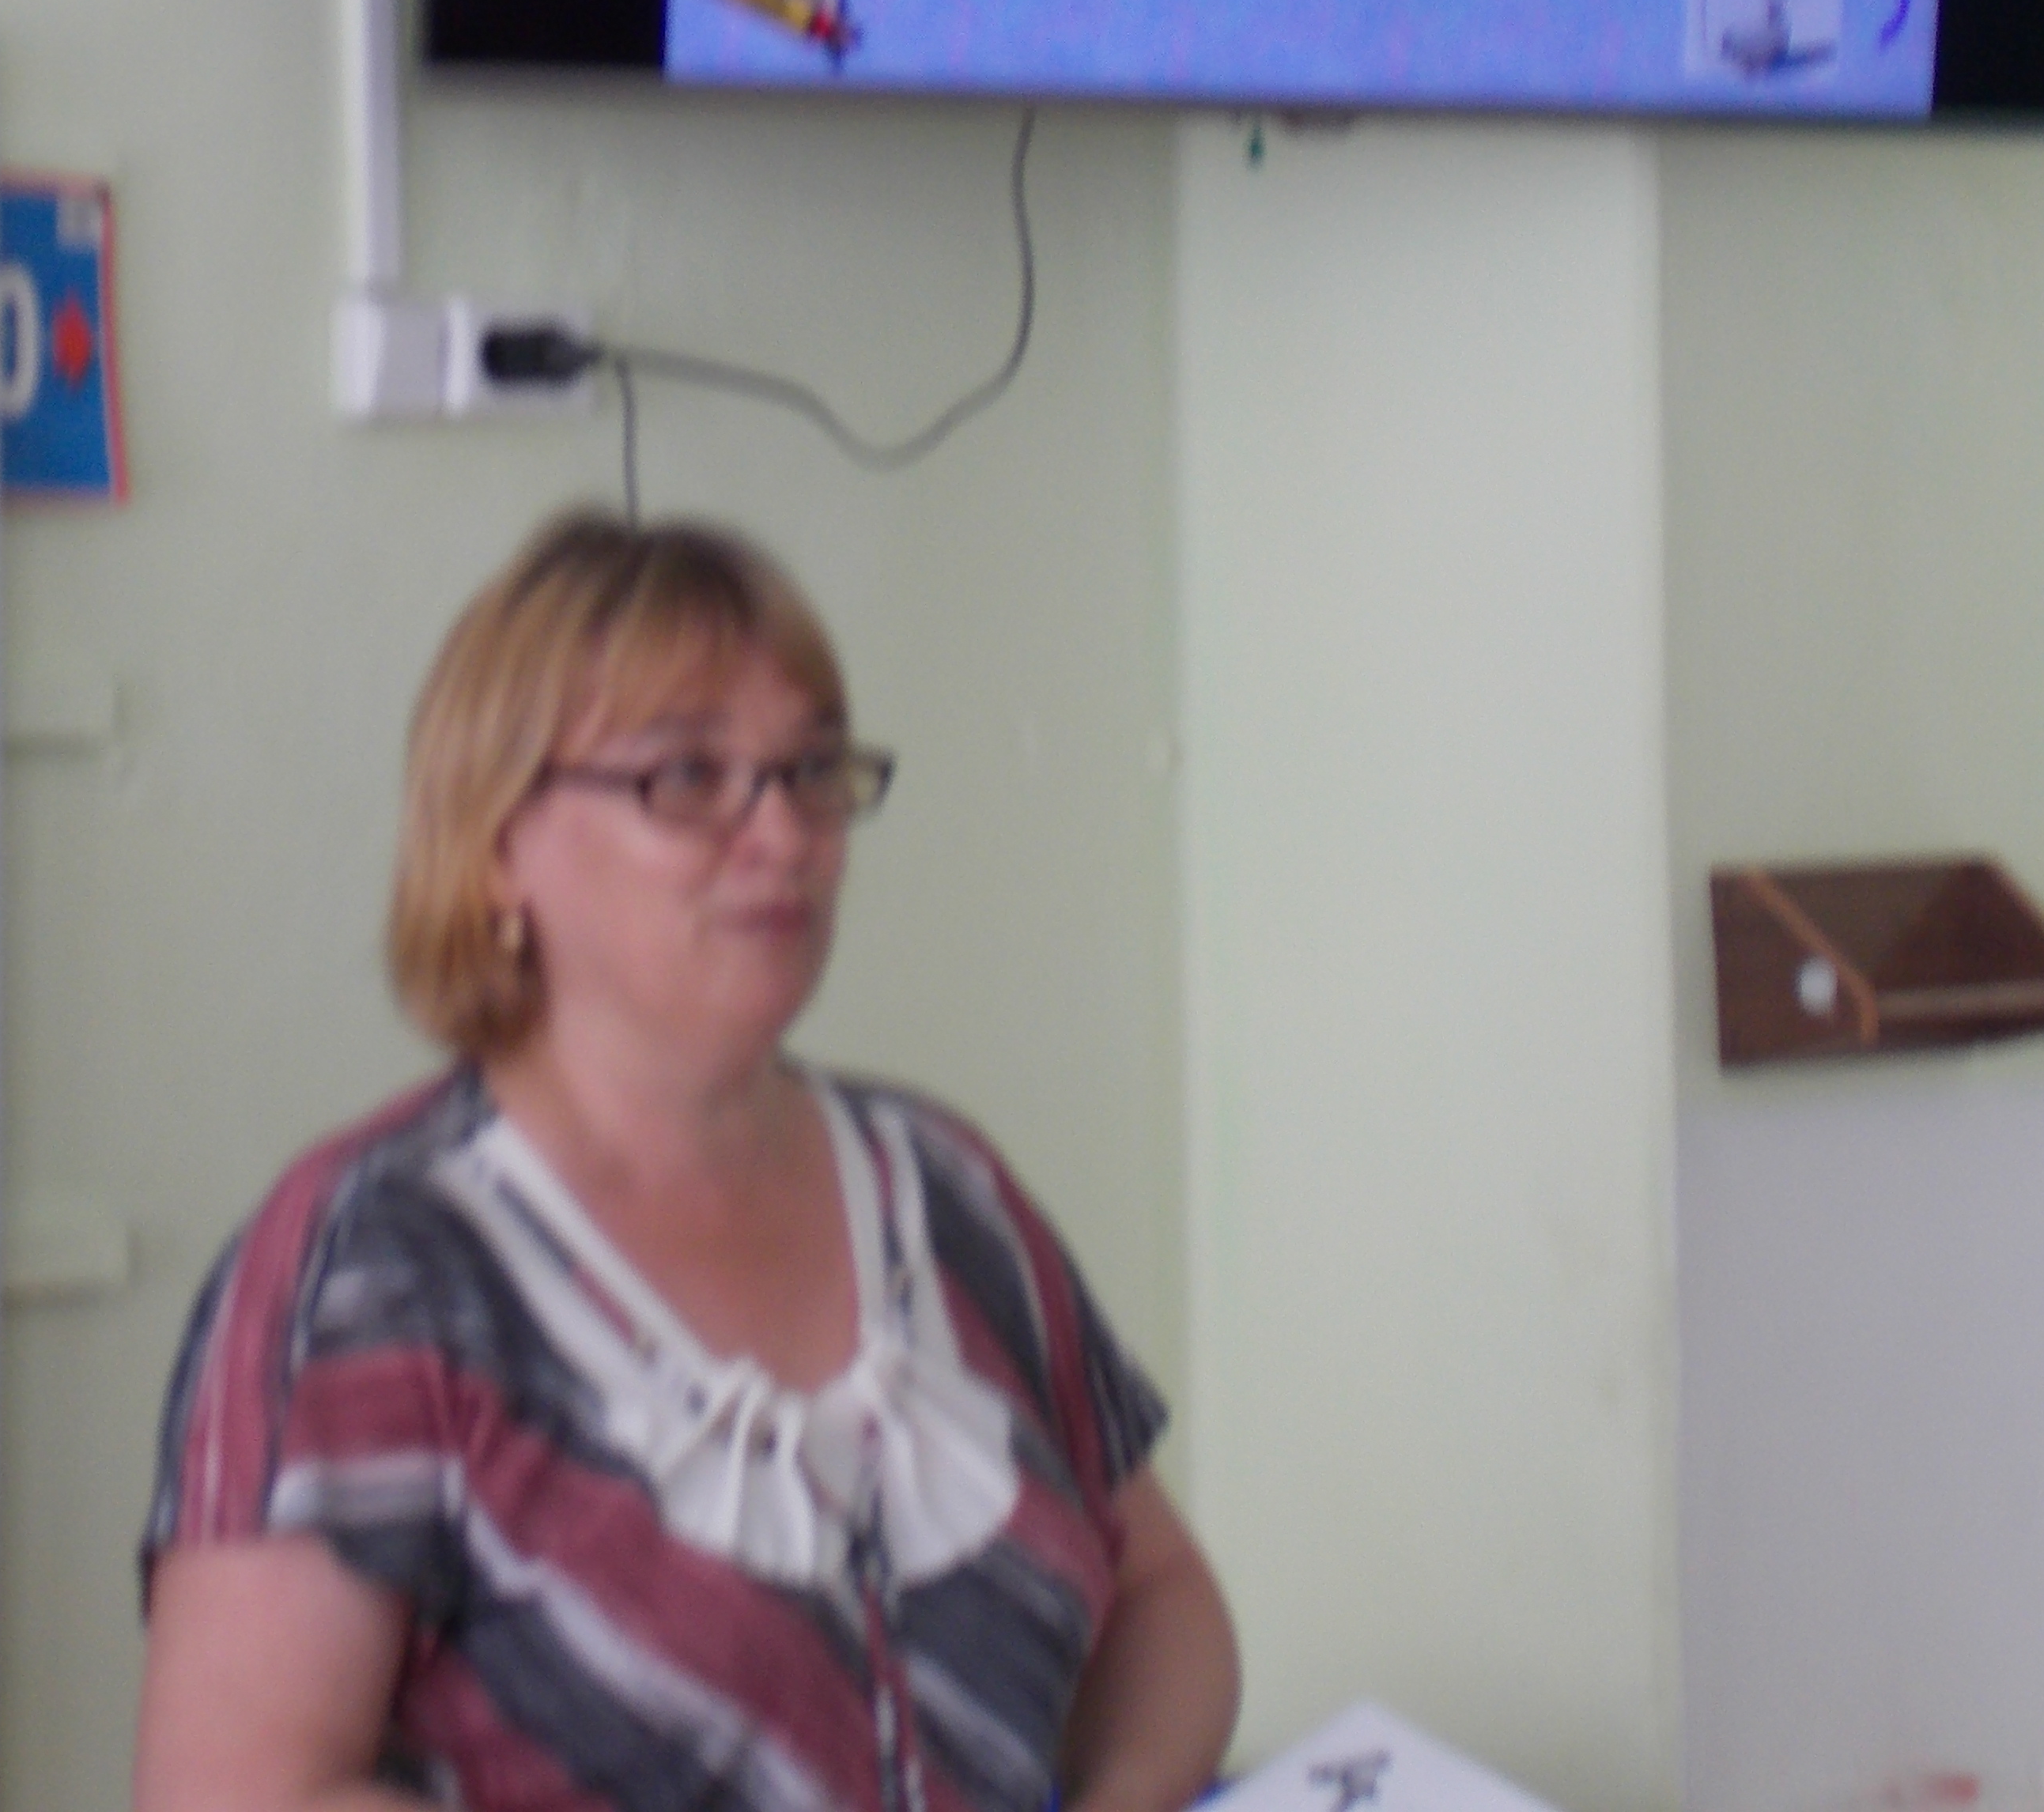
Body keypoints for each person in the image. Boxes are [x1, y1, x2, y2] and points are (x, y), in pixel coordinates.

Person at [134, 510, 1239, 1812]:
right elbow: (231, 1794)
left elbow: (1160, 1596)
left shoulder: (944, 1188)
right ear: (496, 845)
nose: (784, 836)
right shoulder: (373, 1264)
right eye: (688, 778)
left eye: (812, 770)